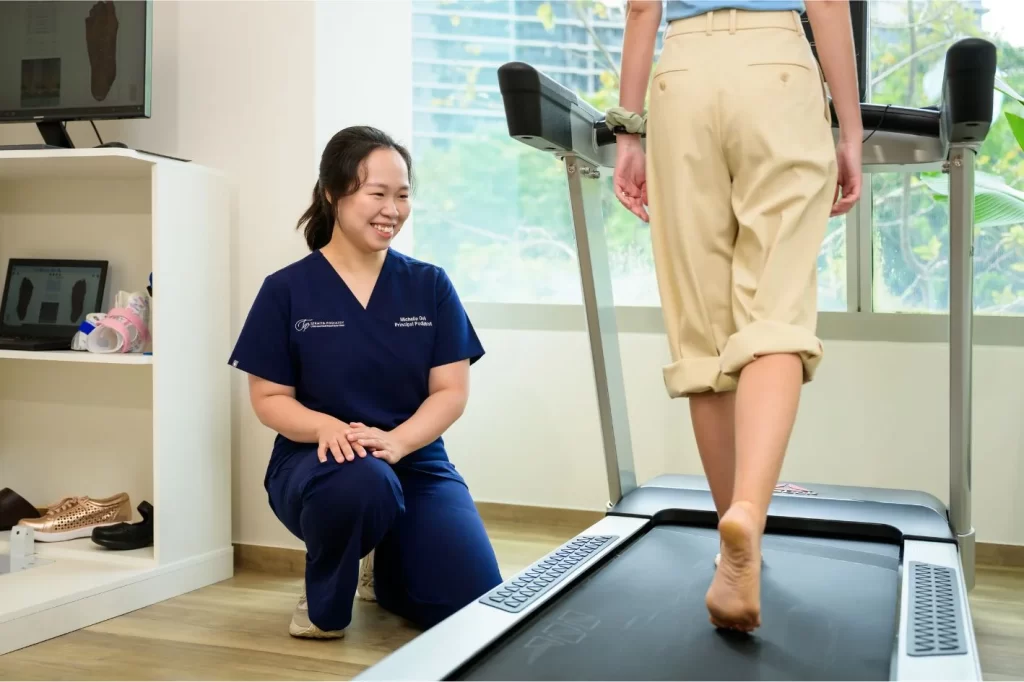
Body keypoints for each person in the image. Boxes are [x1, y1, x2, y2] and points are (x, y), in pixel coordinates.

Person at [610, 0, 863, 632]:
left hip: (682, 75)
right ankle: (748, 514)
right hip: (778, 67)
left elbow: (643, 8)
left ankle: (734, 550)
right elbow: (827, 4)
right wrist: (849, 131)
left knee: (703, 337)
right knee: (775, 313)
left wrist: (628, 133)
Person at [228, 125, 503, 638]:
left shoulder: (429, 285)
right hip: (319, 463)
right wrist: (328, 429)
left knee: (475, 607)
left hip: (415, 460)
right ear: (333, 193)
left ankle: (386, 566)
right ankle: (324, 602)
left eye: (402, 195)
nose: (392, 209)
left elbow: (451, 391)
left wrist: (398, 442)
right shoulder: (287, 290)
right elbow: (269, 399)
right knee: (362, 482)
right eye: (377, 193)